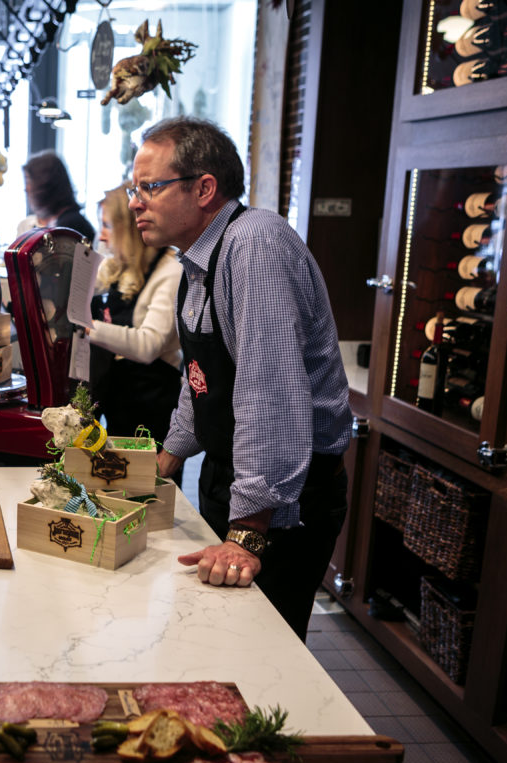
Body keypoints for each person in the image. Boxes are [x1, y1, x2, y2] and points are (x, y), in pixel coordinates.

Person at [129, 117, 351, 640]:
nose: (135, 202)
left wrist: (247, 533)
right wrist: (166, 460)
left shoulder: (255, 246)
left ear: (204, 188)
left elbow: (269, 395)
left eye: (149, 187)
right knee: (207, 639)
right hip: (233, 476)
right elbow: (199, 374)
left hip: (284, 497)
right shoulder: (198, 258)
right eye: (133, 188)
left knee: (254, 654)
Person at [85, 181, 184, 465]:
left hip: (151, 400)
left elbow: (147, 345)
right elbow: (80, 286)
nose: (101, 237)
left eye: (106, 226)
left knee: (148, 490)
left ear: (127, 228)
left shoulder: (171, 270)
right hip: (120, 395)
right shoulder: (120, 264)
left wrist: (88, 327)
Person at [19, 150, 96, 242]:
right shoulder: (67, 220)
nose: (26, 189)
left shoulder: (69, 225)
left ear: (44, 185)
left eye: (29, 182)